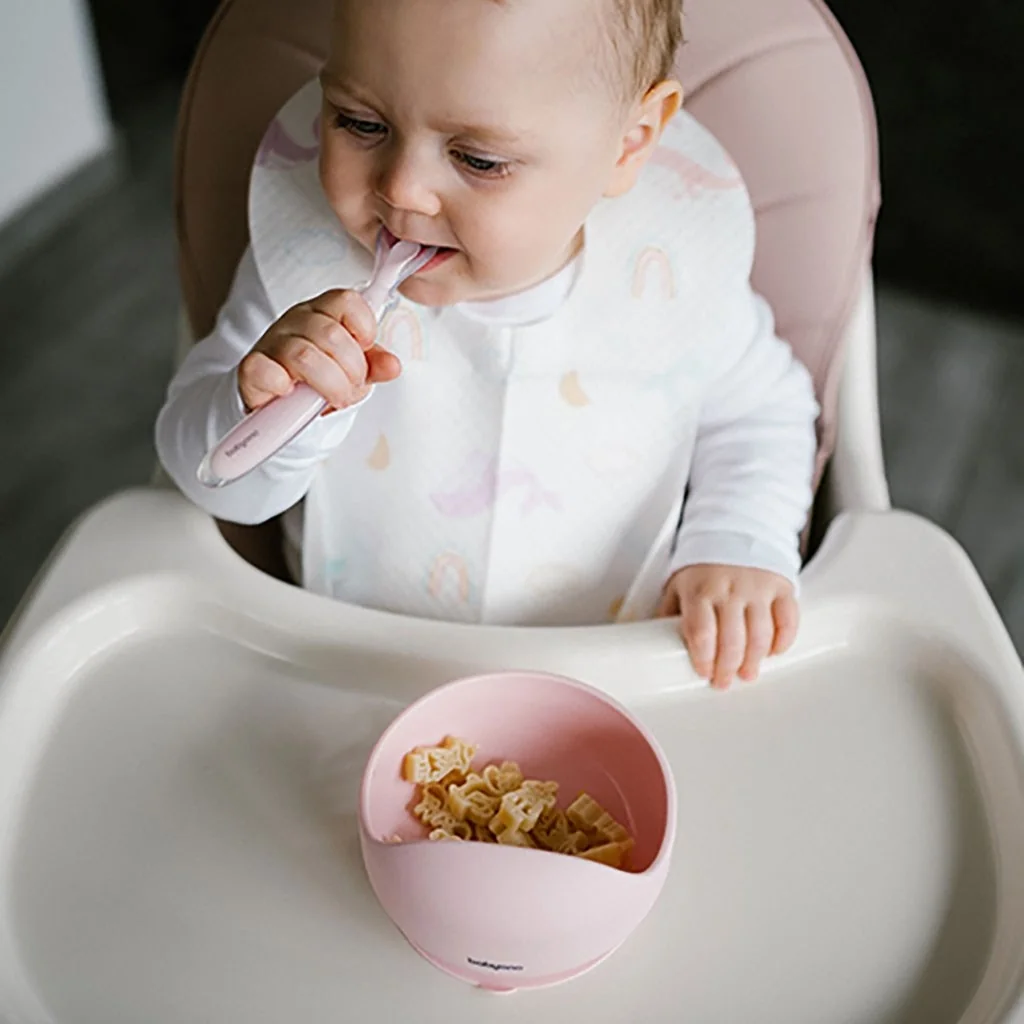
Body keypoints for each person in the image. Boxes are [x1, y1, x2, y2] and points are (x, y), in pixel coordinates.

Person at [157, 0, 819, 688]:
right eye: (359, 122)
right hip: (349, 665)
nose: (402, 190)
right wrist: (268, 405)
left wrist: (735, 544)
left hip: (613, 670)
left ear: (628, 143)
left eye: (479, 159)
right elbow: (207, 477)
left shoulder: (672, 277)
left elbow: (764, 415)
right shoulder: (305, 274)